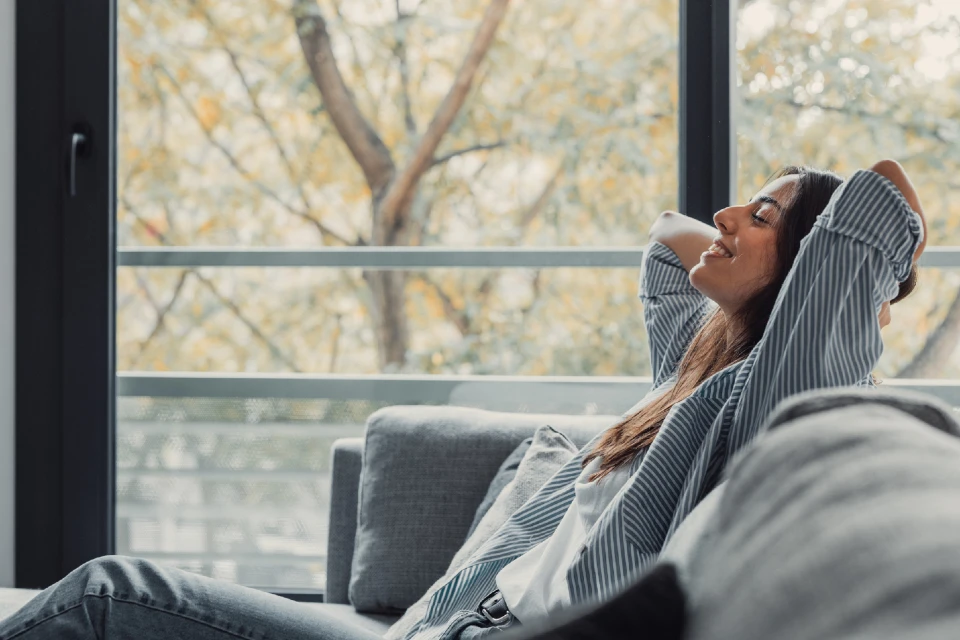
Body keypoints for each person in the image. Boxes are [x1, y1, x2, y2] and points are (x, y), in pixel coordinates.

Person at [0, 160, 926, 640]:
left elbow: (879, 196)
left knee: (105, 597)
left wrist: (870, 277)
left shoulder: (774, 403)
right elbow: (662, 240)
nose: (723, 219)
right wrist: (767, 233)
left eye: (758, 218)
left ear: (818, 271)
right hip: (438, 628)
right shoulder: (689, 381)